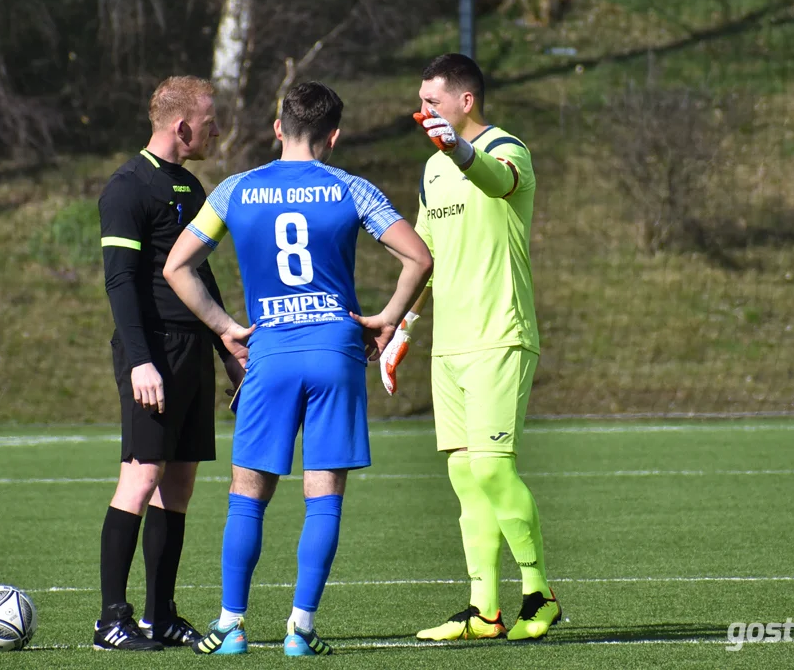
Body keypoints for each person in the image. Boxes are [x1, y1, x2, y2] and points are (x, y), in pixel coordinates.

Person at [163, 81, 433, 656]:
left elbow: (177, 266)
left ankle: (230, 625)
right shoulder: (352, 189)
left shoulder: (235, 190)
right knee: (323, 497)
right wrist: (386, 318)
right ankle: (301, 630)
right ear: (333, 136)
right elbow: (419, 257)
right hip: (336, 351)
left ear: (278, 128)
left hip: (271, 353)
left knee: (247, 495)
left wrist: (224, 326)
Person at [381, 53, 561, 642]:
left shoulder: (511, 150)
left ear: (466, 101)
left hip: (500, 335)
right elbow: (423, 257)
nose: (423, 110)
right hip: (451, 345)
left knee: (491, 466)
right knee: (464, 475)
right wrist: (400, 328)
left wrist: (456, 150)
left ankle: (540, 593)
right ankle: (484, 610)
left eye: (433, 100)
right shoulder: (433, 172)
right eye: (420, 100)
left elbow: (497, 179)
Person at [93, 75, 246, 652]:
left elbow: (198, 276)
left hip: (190, 351)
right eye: (210, 120)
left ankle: (161, 614)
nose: (216, 129)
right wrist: (140, 360)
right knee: (141, 477)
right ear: (181, 126)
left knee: (178, 485)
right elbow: (120, 282)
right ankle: (112, 618)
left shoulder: (190, 186)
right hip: (150, 351)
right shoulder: (127, 188)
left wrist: (226, 345)